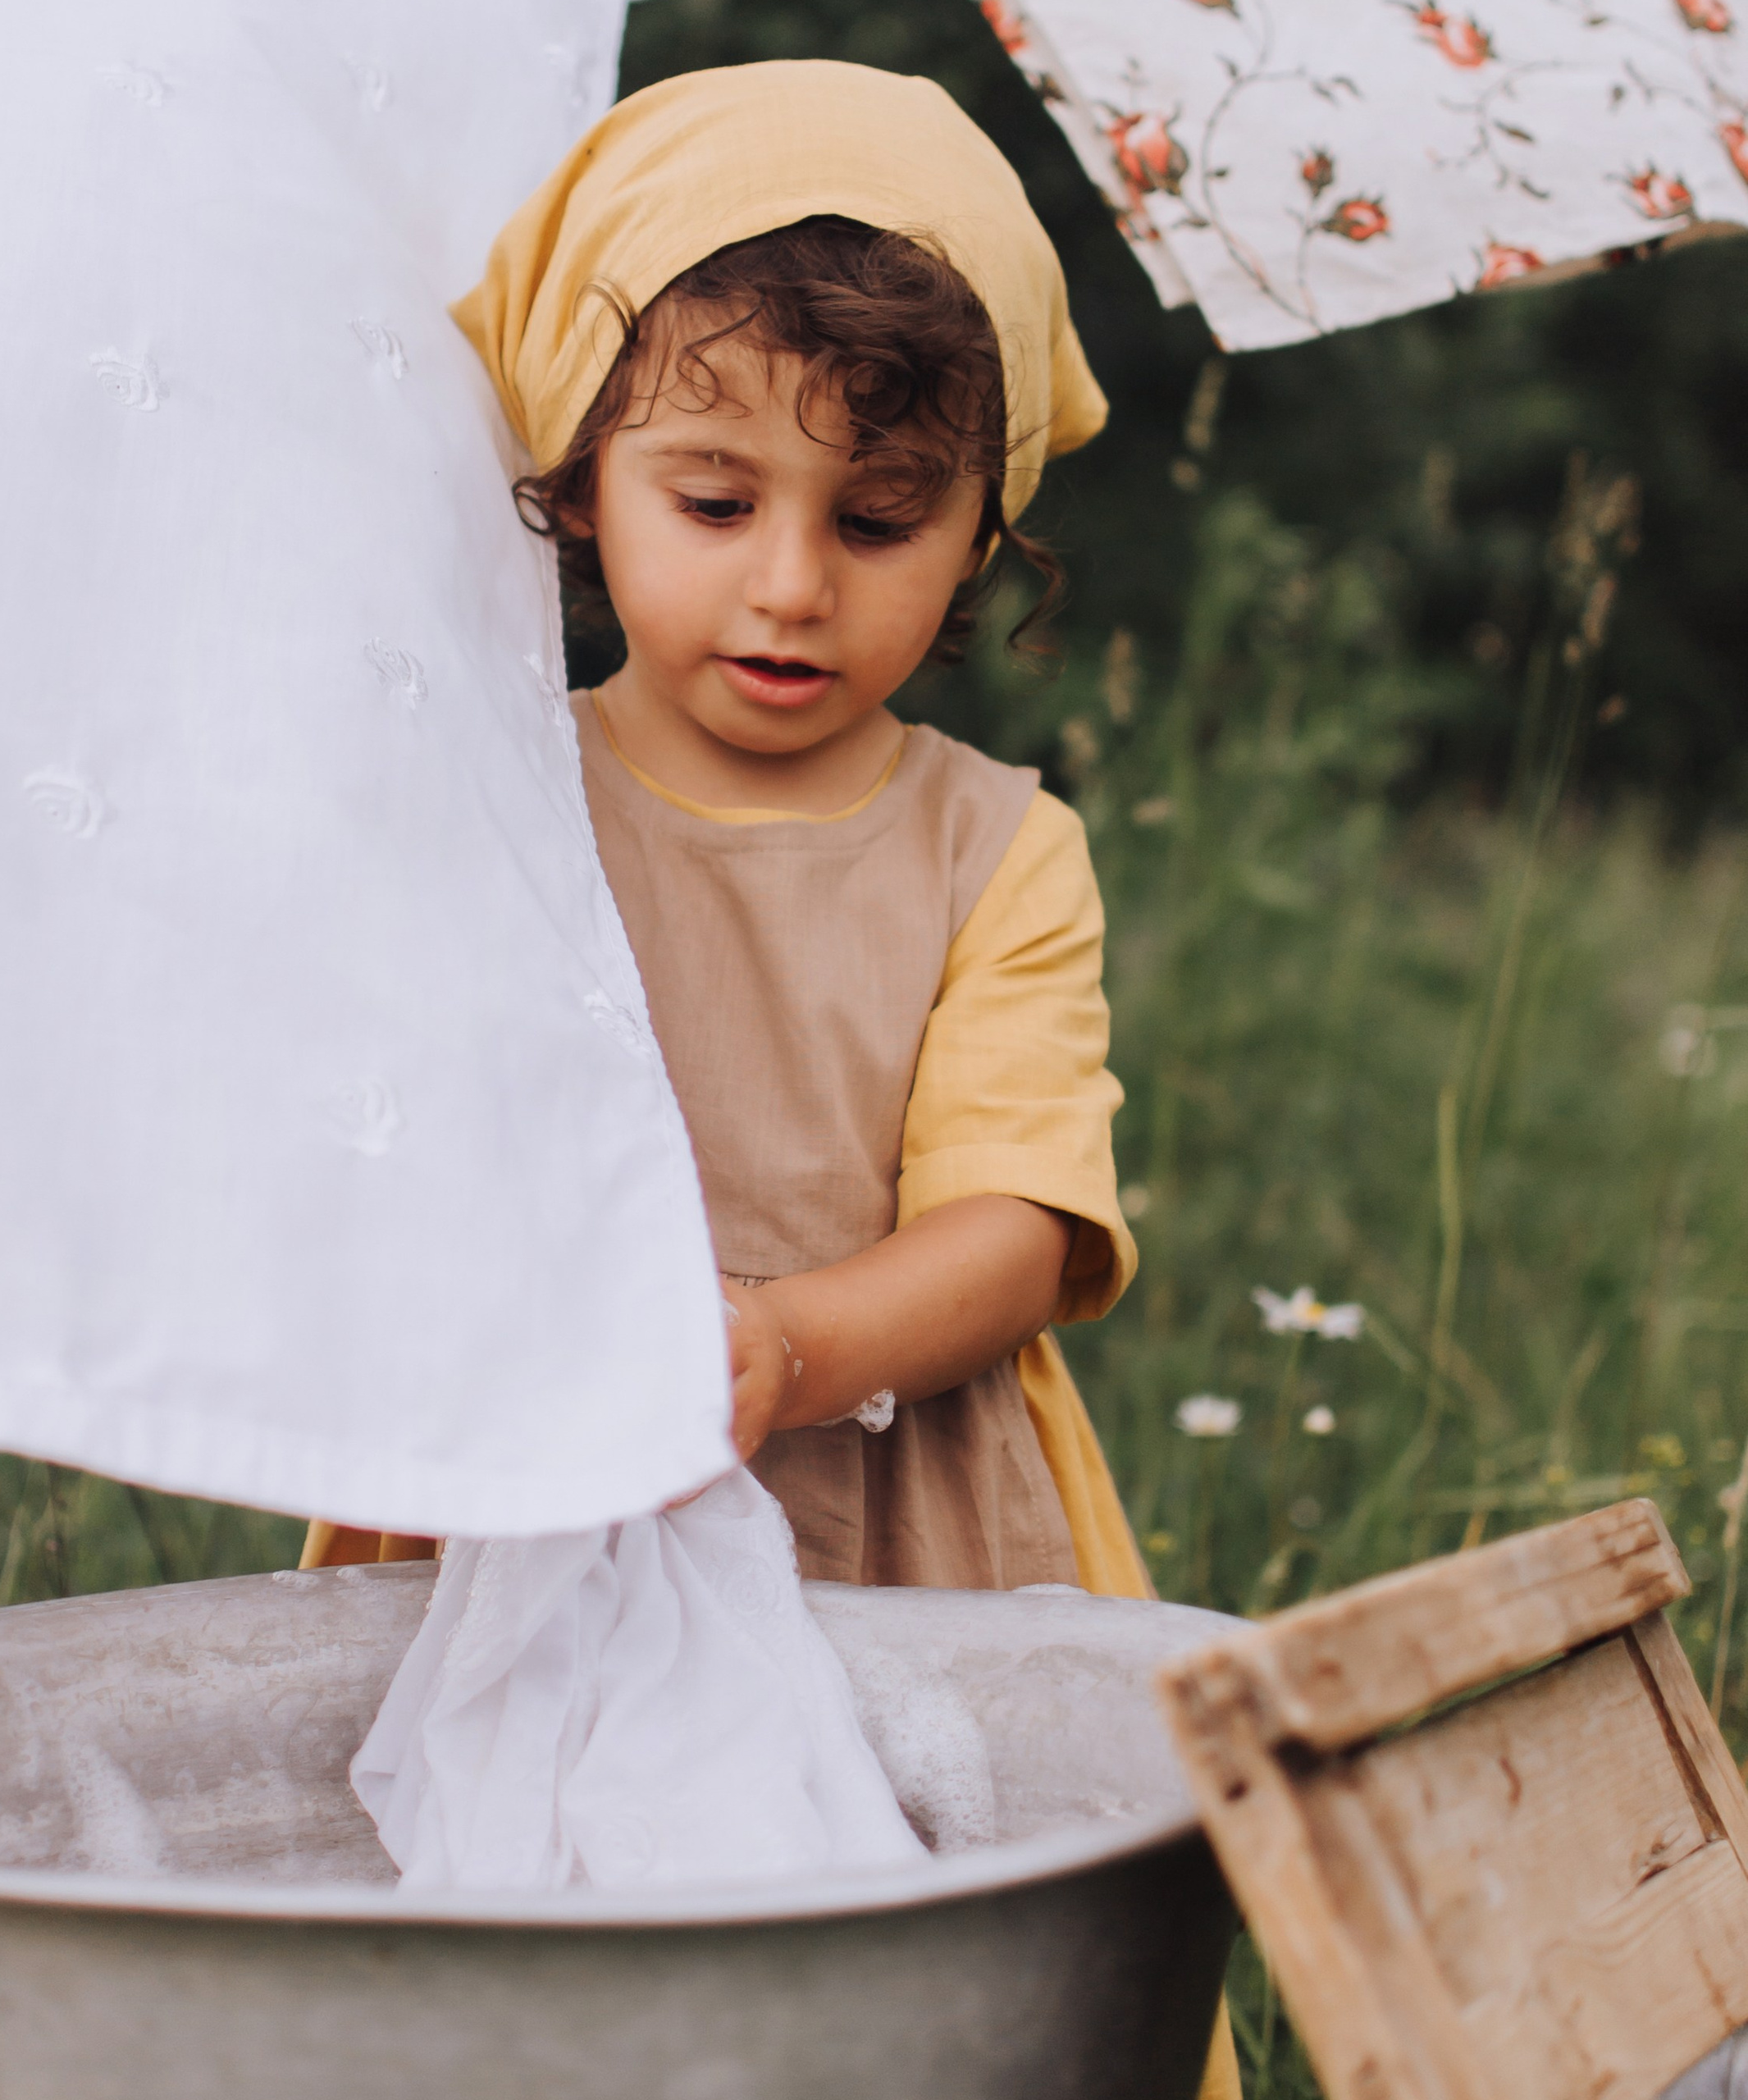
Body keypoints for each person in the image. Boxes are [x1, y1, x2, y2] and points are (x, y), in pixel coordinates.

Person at [304, 58, 1236, 2098]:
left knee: (920, 1999)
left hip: (896, 1508)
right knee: (506, 1975)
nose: (794, 583)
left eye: (880, 517)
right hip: (536, 1493)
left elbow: (1014, 1222)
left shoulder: (995, 850)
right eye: (713, 501)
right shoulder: (502, 798)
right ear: (575, 470)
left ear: (978, 524)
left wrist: (783, 1343)